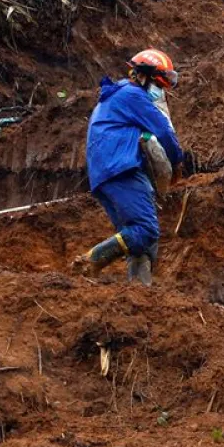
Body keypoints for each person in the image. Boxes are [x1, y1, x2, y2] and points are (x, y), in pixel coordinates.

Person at [71, 49, 188, 286]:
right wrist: (177, 162)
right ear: (143, 76)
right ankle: (90, 261)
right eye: (158, 84)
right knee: (145, 229)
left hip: (104, 175)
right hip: (121, 169)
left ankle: (139, 291)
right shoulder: (133, 95)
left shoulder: (114, 98)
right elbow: (163, 130)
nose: (160, 92)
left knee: (139, 237)